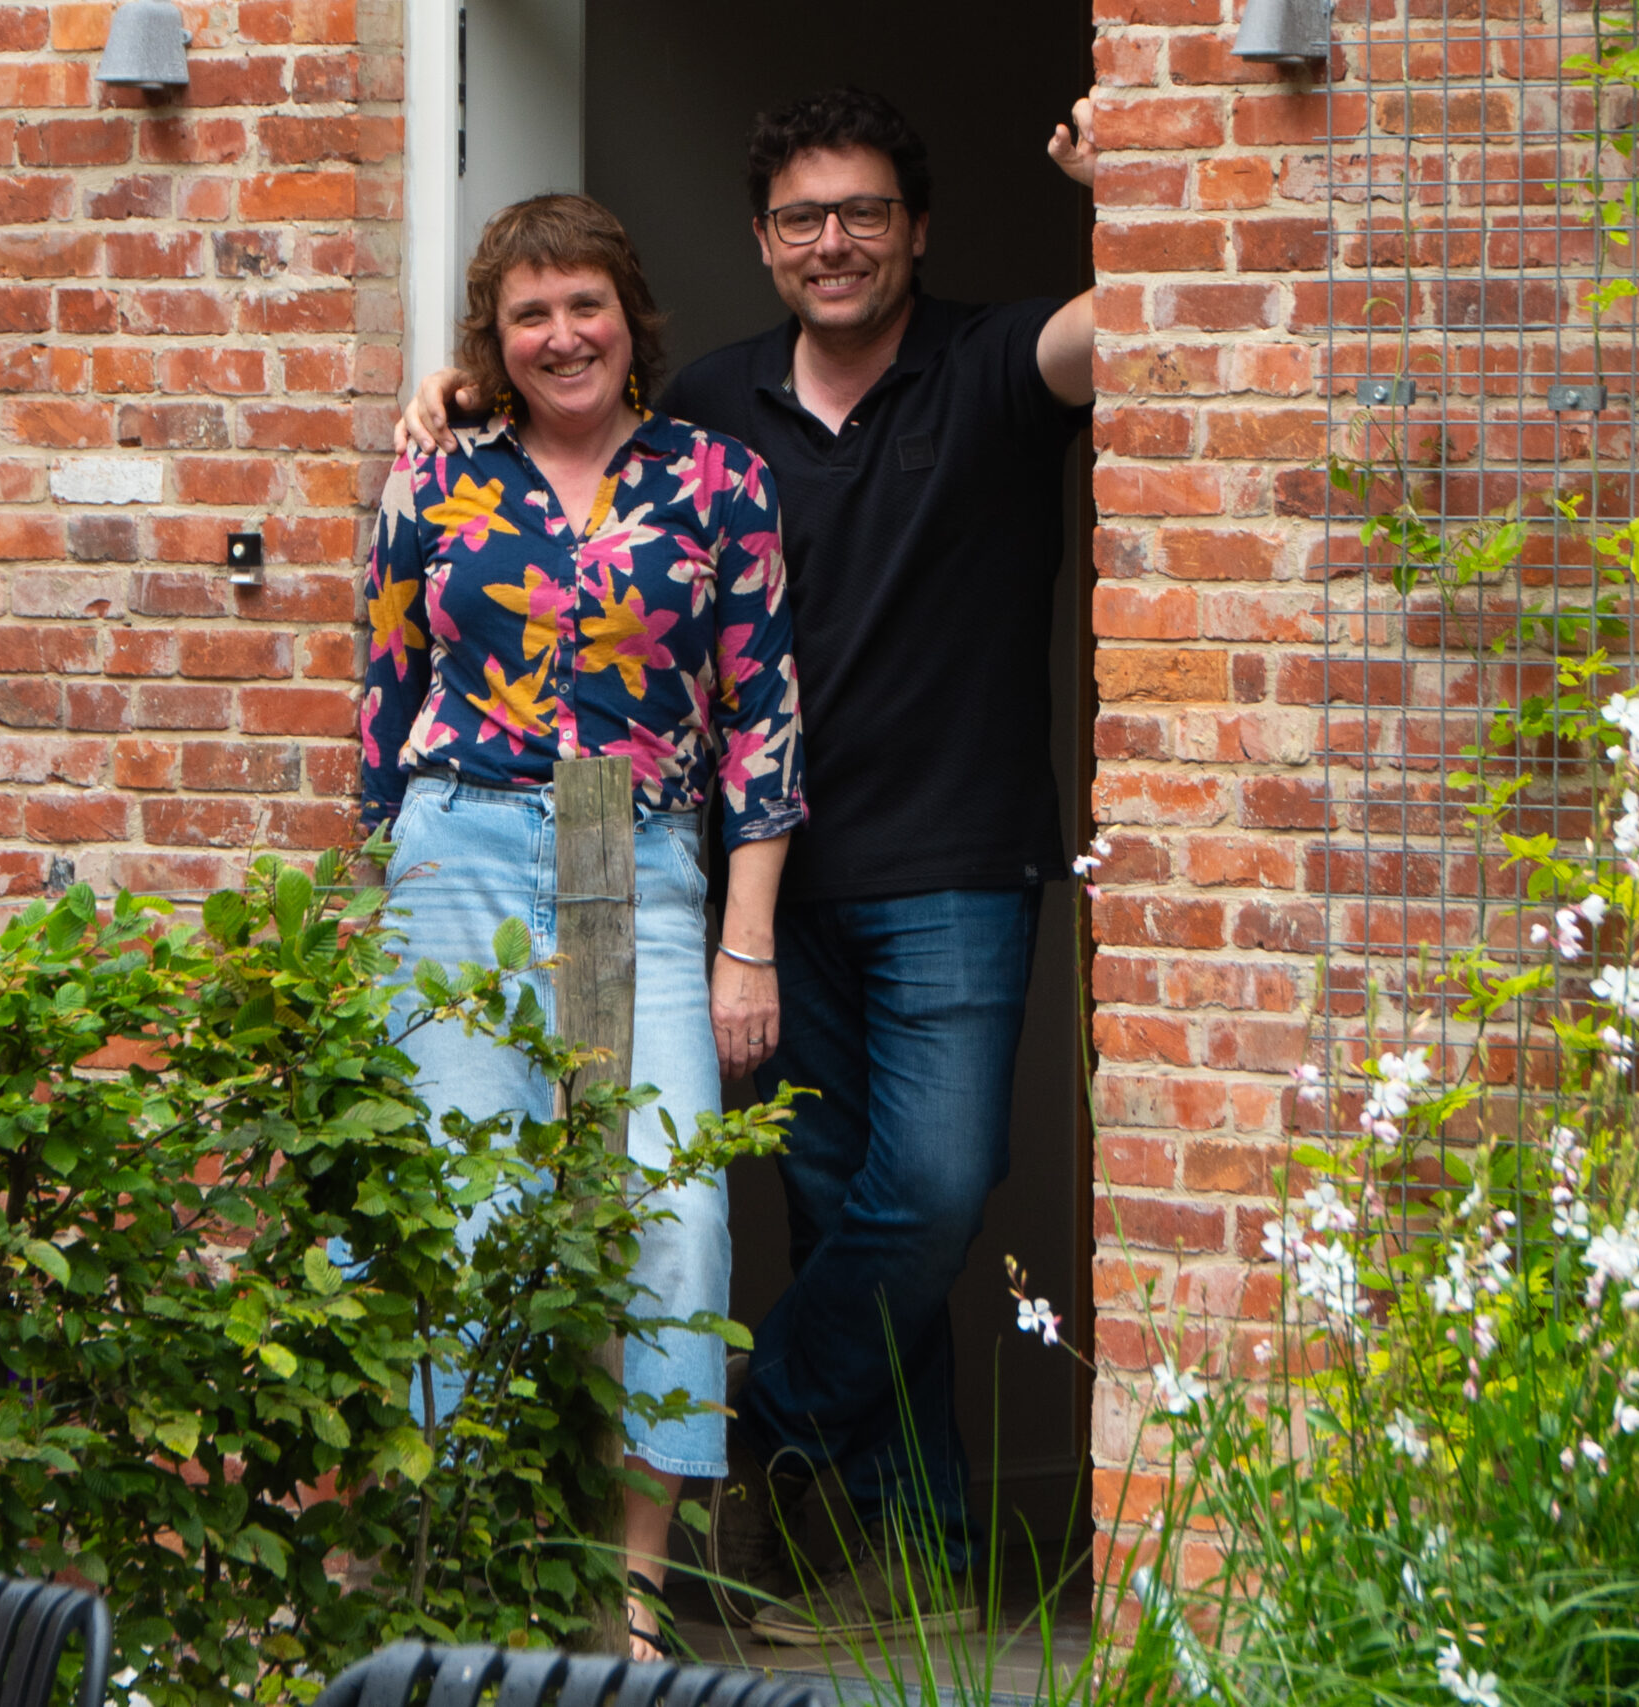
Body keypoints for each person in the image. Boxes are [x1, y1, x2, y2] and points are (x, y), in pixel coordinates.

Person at [398, 88, 1098, 1644]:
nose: (832, 242)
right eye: (801, 219)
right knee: (834, 1199)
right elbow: (538, 433)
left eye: (862, 214)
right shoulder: (713, 406)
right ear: (763, 245)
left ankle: (751, 1416)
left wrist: (1140, 188)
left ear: (915, 228)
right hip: (739, 877)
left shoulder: (990, 367)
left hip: (945, 856)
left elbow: (1141, 323)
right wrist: (454, 395)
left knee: (928, 1188)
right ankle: (909, 1547)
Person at [361, 192, 805, 1659]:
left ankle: (632, 1596)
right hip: (463, 851)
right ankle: (471, 1564)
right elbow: (383, 698)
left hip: (640, 851)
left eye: (586, 304)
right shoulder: (434, 482)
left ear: (632, 316)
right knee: (465, 1212)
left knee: (671, 1216)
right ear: (495, 341)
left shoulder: (722, 484)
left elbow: (763, 733)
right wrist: (387, 898)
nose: (565, 335)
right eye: (530, 314)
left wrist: (747, 938)